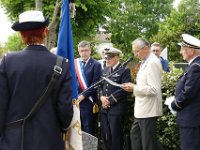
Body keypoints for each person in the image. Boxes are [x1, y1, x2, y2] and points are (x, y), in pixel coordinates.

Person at [0, 10, 73, 150]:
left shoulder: (7, 62)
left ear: (21, 35)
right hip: (49, 140)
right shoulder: (61, 64)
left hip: (13, 142)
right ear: (45, 32)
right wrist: (63, 128)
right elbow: (65, 109)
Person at [122, 38, 163, 150]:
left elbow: (154, 89)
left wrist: (134, 88)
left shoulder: (153, 62)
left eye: (137, 51)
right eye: (134, 52)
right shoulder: (146, 61)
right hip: (141, 111)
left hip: (148, 111)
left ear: (145, 48)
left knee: (148, 144)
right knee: (136, 139)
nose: (135, 54)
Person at [169, 34, 200, 150]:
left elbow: (189, 93)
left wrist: (174, 104)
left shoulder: (196, 67)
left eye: (182, 49)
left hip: (192, 120)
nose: (180, 52)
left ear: (191, 51)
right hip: (192, 118)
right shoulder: (195, 65)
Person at [100, 47, 131, 150]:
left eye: (110, 58)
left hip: (116, 108)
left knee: (116, 136)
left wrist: (109, 100)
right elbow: (99, 87)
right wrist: (101, 98)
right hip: (104, 109)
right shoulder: (104, 70)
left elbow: (124, 89)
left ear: (117, 57)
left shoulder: (124, 70)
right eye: (106, 58)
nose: (107, 60)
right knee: (105, 134)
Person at [74, 40, 101, 135]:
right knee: (76, 130)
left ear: (90, 51)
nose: (84, 53)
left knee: (88, 129)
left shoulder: (96, 64)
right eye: (82, 51)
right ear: (78, 51)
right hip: (75, 101)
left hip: (88, 102)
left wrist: (82, 96)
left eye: (86, 50)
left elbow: (95, 83)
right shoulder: (74, 63)